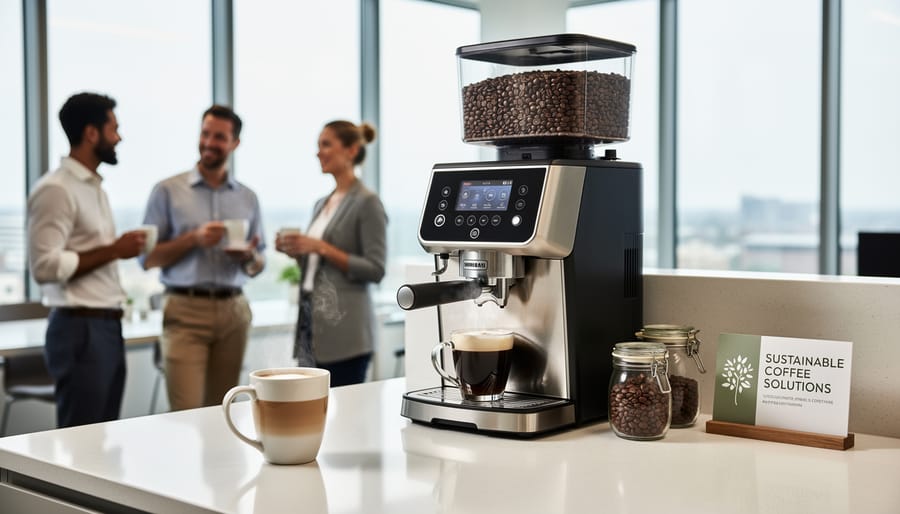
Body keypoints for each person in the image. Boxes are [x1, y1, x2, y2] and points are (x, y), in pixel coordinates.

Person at [27, 92, 146, 428]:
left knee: (102, 437)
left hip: (105, 327)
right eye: (114, 129)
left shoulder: (95, 189)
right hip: (80, 330)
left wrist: (117, 249)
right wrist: (115, 250)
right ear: (92, 133)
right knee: (81, 440)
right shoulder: (56, 189)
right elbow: (44, 267)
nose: (119, 137)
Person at [140, 105, 265, 411]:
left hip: (234, 311)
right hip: (185, 312)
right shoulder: (167, 191)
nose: (210, 142)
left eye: (219, 137)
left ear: (234, 143)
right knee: (187, 413)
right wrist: (193, 239)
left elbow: (259, 263)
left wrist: (248, 256)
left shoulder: (248, 198)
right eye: (205, 133)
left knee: (224, 413)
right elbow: (146, 259)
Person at [275, 120, 387, 386]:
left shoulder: (367, 202)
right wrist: (296, 251)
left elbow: (375, 269)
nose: (318, 152)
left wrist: (321, 247)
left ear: (351, 150)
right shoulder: (321, 203)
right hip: (310, 329)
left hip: (347, 334)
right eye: (318, 145)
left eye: (326, 144)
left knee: (346, 419)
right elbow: (317, 265)